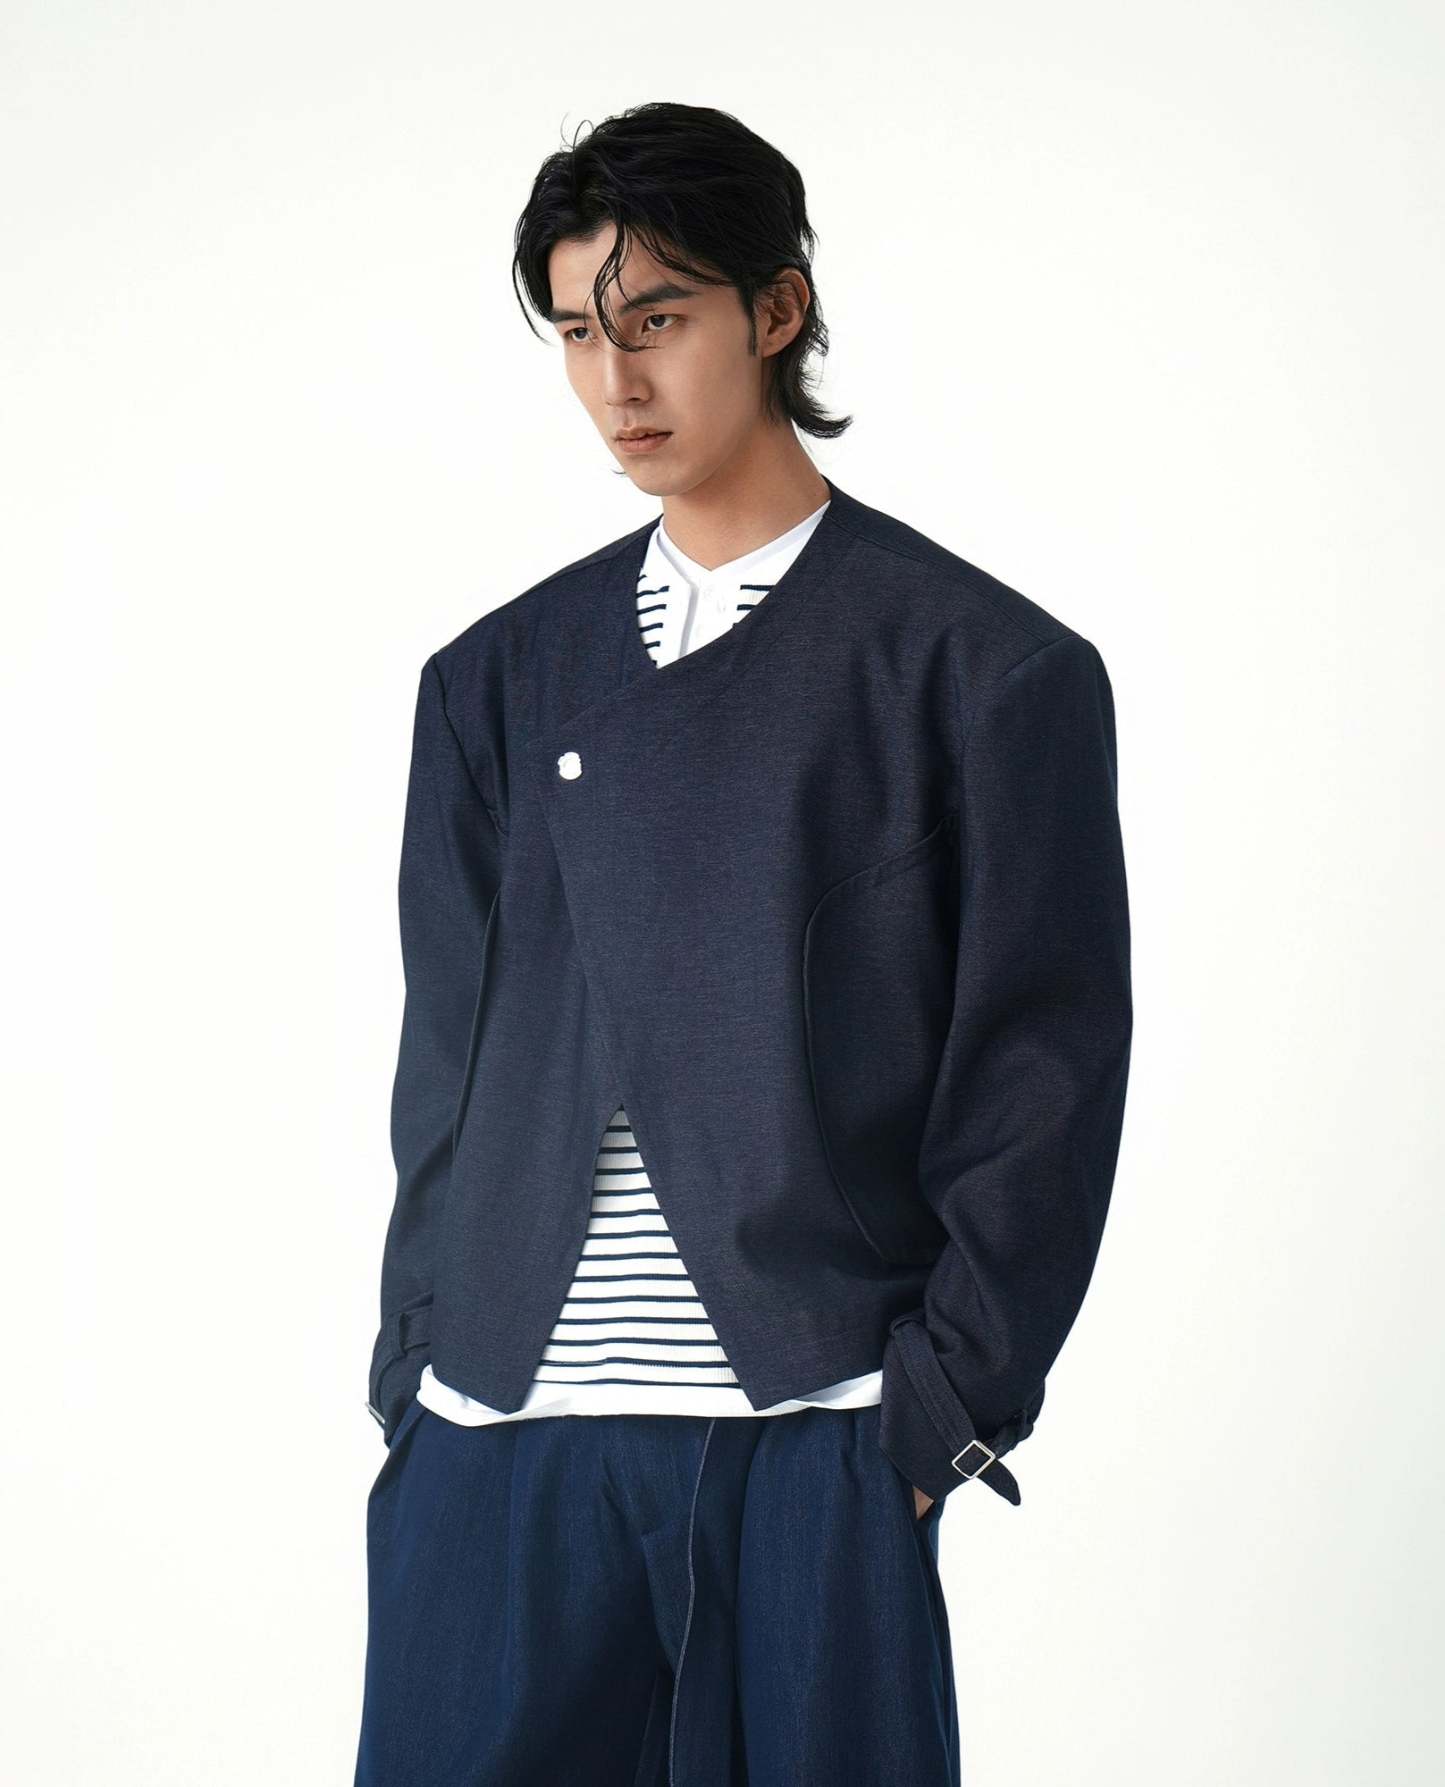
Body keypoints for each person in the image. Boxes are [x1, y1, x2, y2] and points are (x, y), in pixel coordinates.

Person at [354, 100, 1132, 1787]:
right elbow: (445, 1064)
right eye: (577, 334)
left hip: (811, 1427)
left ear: (776, 311)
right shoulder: (495, 682)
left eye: (655, 321)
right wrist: (415, 1363)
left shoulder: (980, 672)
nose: (614, 382)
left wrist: (937, 1413)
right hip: (497, 1431)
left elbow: (1041, 1077)